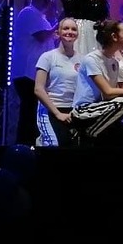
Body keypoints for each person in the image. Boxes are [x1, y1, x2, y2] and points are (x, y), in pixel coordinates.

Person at [70, 20, 123, 147]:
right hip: (84, 111)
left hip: (104, 111)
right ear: (114, 36)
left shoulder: (114, 62)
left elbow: (112, 95)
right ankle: (86, 132)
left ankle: (100, 130)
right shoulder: (92, 59)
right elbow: (108, 92)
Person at [12, 0, 56, 145]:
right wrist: (58, 25)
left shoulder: (41, 18)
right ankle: (24, 145)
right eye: (46, 0)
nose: (48, 5)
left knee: (32, 111)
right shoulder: (28, 13)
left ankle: (30, 143)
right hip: (26, 72)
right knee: (28, 111)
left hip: (34, 73)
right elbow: (41, 36)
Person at [32, 18, 82, 147]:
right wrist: (57, 113)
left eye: (73, 29)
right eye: (66, 28)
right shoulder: (47, 57)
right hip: (51, 110)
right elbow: (38, 89)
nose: (70, 32)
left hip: (72, 111)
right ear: (57, 33)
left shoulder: (82, 59)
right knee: (53, 145)